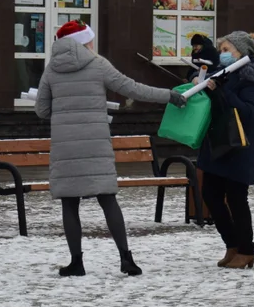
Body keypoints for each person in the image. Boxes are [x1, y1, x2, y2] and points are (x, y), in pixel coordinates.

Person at [36, 20, 187, 277]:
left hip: (66, 146)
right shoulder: (98, 65)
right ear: (85, 42)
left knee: (69, 204)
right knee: (107, 199)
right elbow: (133, 88)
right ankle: (126, 259)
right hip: (95, 141)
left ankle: (76, 263)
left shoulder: (51, 69)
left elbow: (42, 110)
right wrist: (168, 95)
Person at [196, 31, 254, 269]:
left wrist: (222, 90)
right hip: (218, 142)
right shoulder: (226, 72)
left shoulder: (253, 77)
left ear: (242, 52)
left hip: (240, 145)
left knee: (236, 198)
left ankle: (246, 250)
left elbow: (250, 113)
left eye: (226, 51)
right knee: (210, 194)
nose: (222, 55)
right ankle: (232, 244)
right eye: (221, 51)